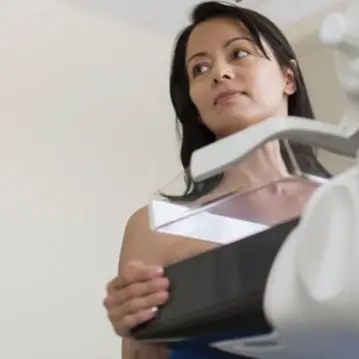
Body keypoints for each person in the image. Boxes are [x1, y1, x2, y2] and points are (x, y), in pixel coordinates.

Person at [102, 2, 331, 358]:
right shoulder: (153, 228)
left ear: (288, 78)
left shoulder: (348, 203)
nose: (219, 74)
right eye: (200, 69)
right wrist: (137, 329)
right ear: (196, 105)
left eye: (239, 53)